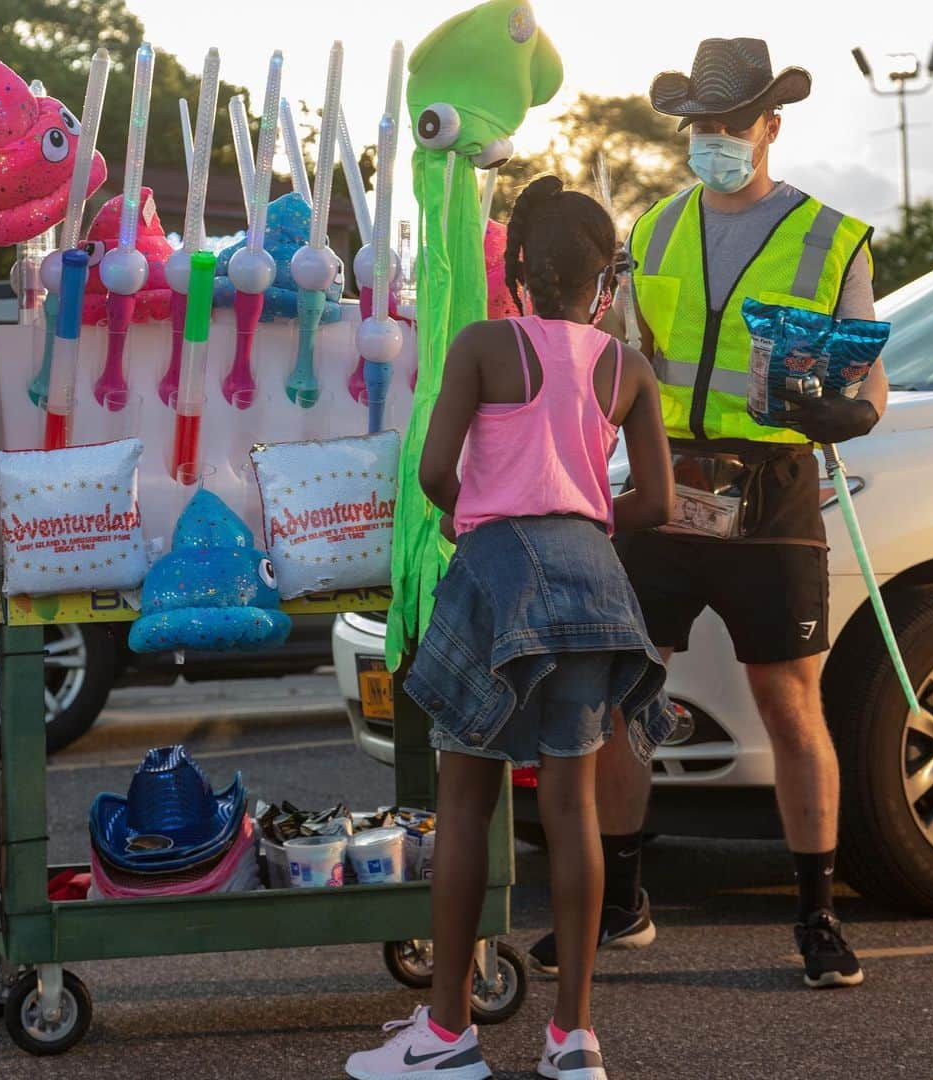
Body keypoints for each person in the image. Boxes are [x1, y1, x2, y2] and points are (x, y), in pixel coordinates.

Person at [528, 37, 888, 990]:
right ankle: (622, 905)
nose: (716, 140)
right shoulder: (647, 232)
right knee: (623, 702)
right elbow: (607, 356)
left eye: (733, 123)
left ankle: (816, 917)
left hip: (772, 492)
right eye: (703, 126)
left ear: (772, 123)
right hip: (659, 487)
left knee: (791, 704)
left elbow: (871, 386)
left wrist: (847, 410)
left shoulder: (832, 236)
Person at [345, 175, 676, 1080]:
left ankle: (448, 1034)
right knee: (571, 810)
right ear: (602, 281)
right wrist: (585, 521)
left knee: (466, 805)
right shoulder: (626, 366)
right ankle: (574, 1040)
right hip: (596, 589)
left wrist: (476, 513)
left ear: (519, 264)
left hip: (497, 582)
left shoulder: (486, 344)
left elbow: (435, 473)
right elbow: (658, 500)